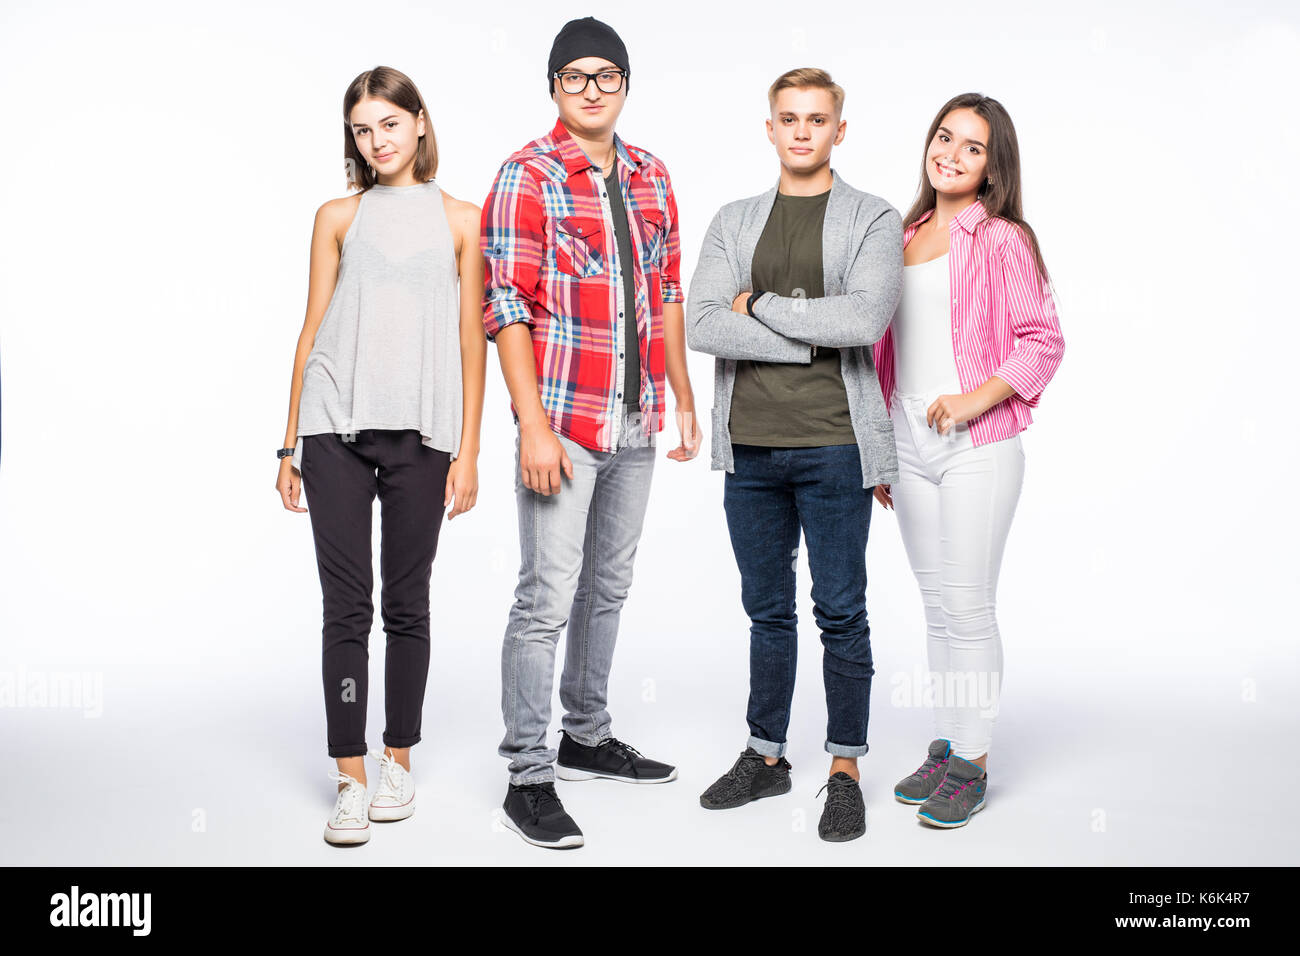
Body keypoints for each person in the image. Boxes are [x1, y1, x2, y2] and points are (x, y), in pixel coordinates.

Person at [480, 17, 702, 850]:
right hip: (565, 422)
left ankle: (586, 734)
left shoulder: (651, 174)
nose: (592, 89)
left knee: (608, 585)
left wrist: (679, 389)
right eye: (576, 77)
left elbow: (668, 286)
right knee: (545, 596)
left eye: (606, 75)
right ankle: (527, 777)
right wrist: (531, 424)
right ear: (553, 89)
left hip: (637, 414)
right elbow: (504, 304)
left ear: (625, 85)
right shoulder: (526, 175)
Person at [685, 68, 902, 842]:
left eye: (817, 119)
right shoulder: (734, 219)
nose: (803, 131)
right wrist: (815, 325)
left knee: (841, 612)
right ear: (770, 129)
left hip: (837, 446)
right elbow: (703, 324)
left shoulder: (873, 217)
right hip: (749, 449)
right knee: (766, 611)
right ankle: (766, 757)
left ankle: (844, 769)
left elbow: (868, 317)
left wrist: (765, 308)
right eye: (789, 118)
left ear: (839, 130)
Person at [275, 66, 486, 846]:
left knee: (407, 603)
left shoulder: (462, 219)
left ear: (420, 124)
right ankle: (350, 775)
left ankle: (399, 755)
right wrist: (289, 441)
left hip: (424, 433)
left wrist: (467, 451)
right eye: (362, 129)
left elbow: (473, 342)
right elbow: (310, 330)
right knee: (346, 607)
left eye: (389, 124)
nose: (377, 141)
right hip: (335, 424)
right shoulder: (337, 216)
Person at [873, 93, 1065, 828]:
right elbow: (882, 346)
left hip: (975, 443)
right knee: (934, 605)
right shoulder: (900, 233)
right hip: (907, 442)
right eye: (944, 137)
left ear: (993, 167)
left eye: (972, 147)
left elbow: (1042, 340)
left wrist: (971, 399)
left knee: (967, 603)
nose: (950, 152)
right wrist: (885, 450)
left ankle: (974, 763)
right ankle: (951, 741)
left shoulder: (1004, 238)